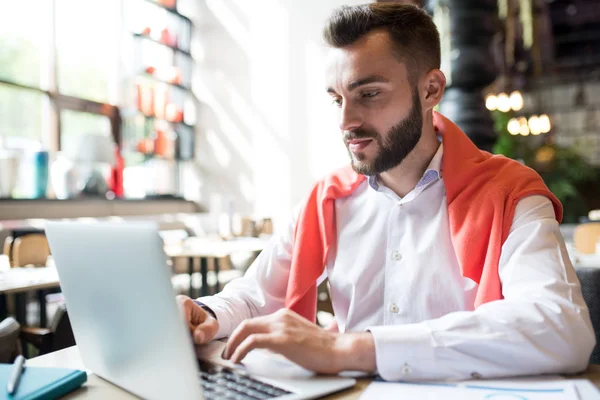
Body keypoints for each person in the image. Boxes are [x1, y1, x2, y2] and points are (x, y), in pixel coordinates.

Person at [177, 3, 595, 381]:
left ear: (431, 90)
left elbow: (561, 327)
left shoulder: (511, 193)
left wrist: (348, 348)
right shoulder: (328, 199)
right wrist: (209, 314)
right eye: (336, 99)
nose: (346, 120)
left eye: (369, 94)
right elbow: (255, 296)